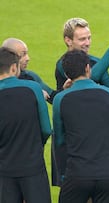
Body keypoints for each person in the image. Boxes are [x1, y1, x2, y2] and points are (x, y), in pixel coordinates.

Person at [52, 17, 109, 187]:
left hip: (96, 136)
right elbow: (89, 77)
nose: (87, 43)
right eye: (82, 39)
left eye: (89, 38)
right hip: (73, 139)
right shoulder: (64, 64)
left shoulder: (95, 62)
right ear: (68, 40)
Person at [0, 47, 52, 202]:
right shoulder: (33, 88)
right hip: (33, 166)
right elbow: (46, 129)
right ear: (14, 67)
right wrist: (35, 146)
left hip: (4, 169)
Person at [2, 38, 56, 102]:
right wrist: (36, 95)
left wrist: (66, 91)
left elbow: (52, 97)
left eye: (27, 53)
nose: (28, 58)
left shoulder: (30, 76)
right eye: (23, 54)